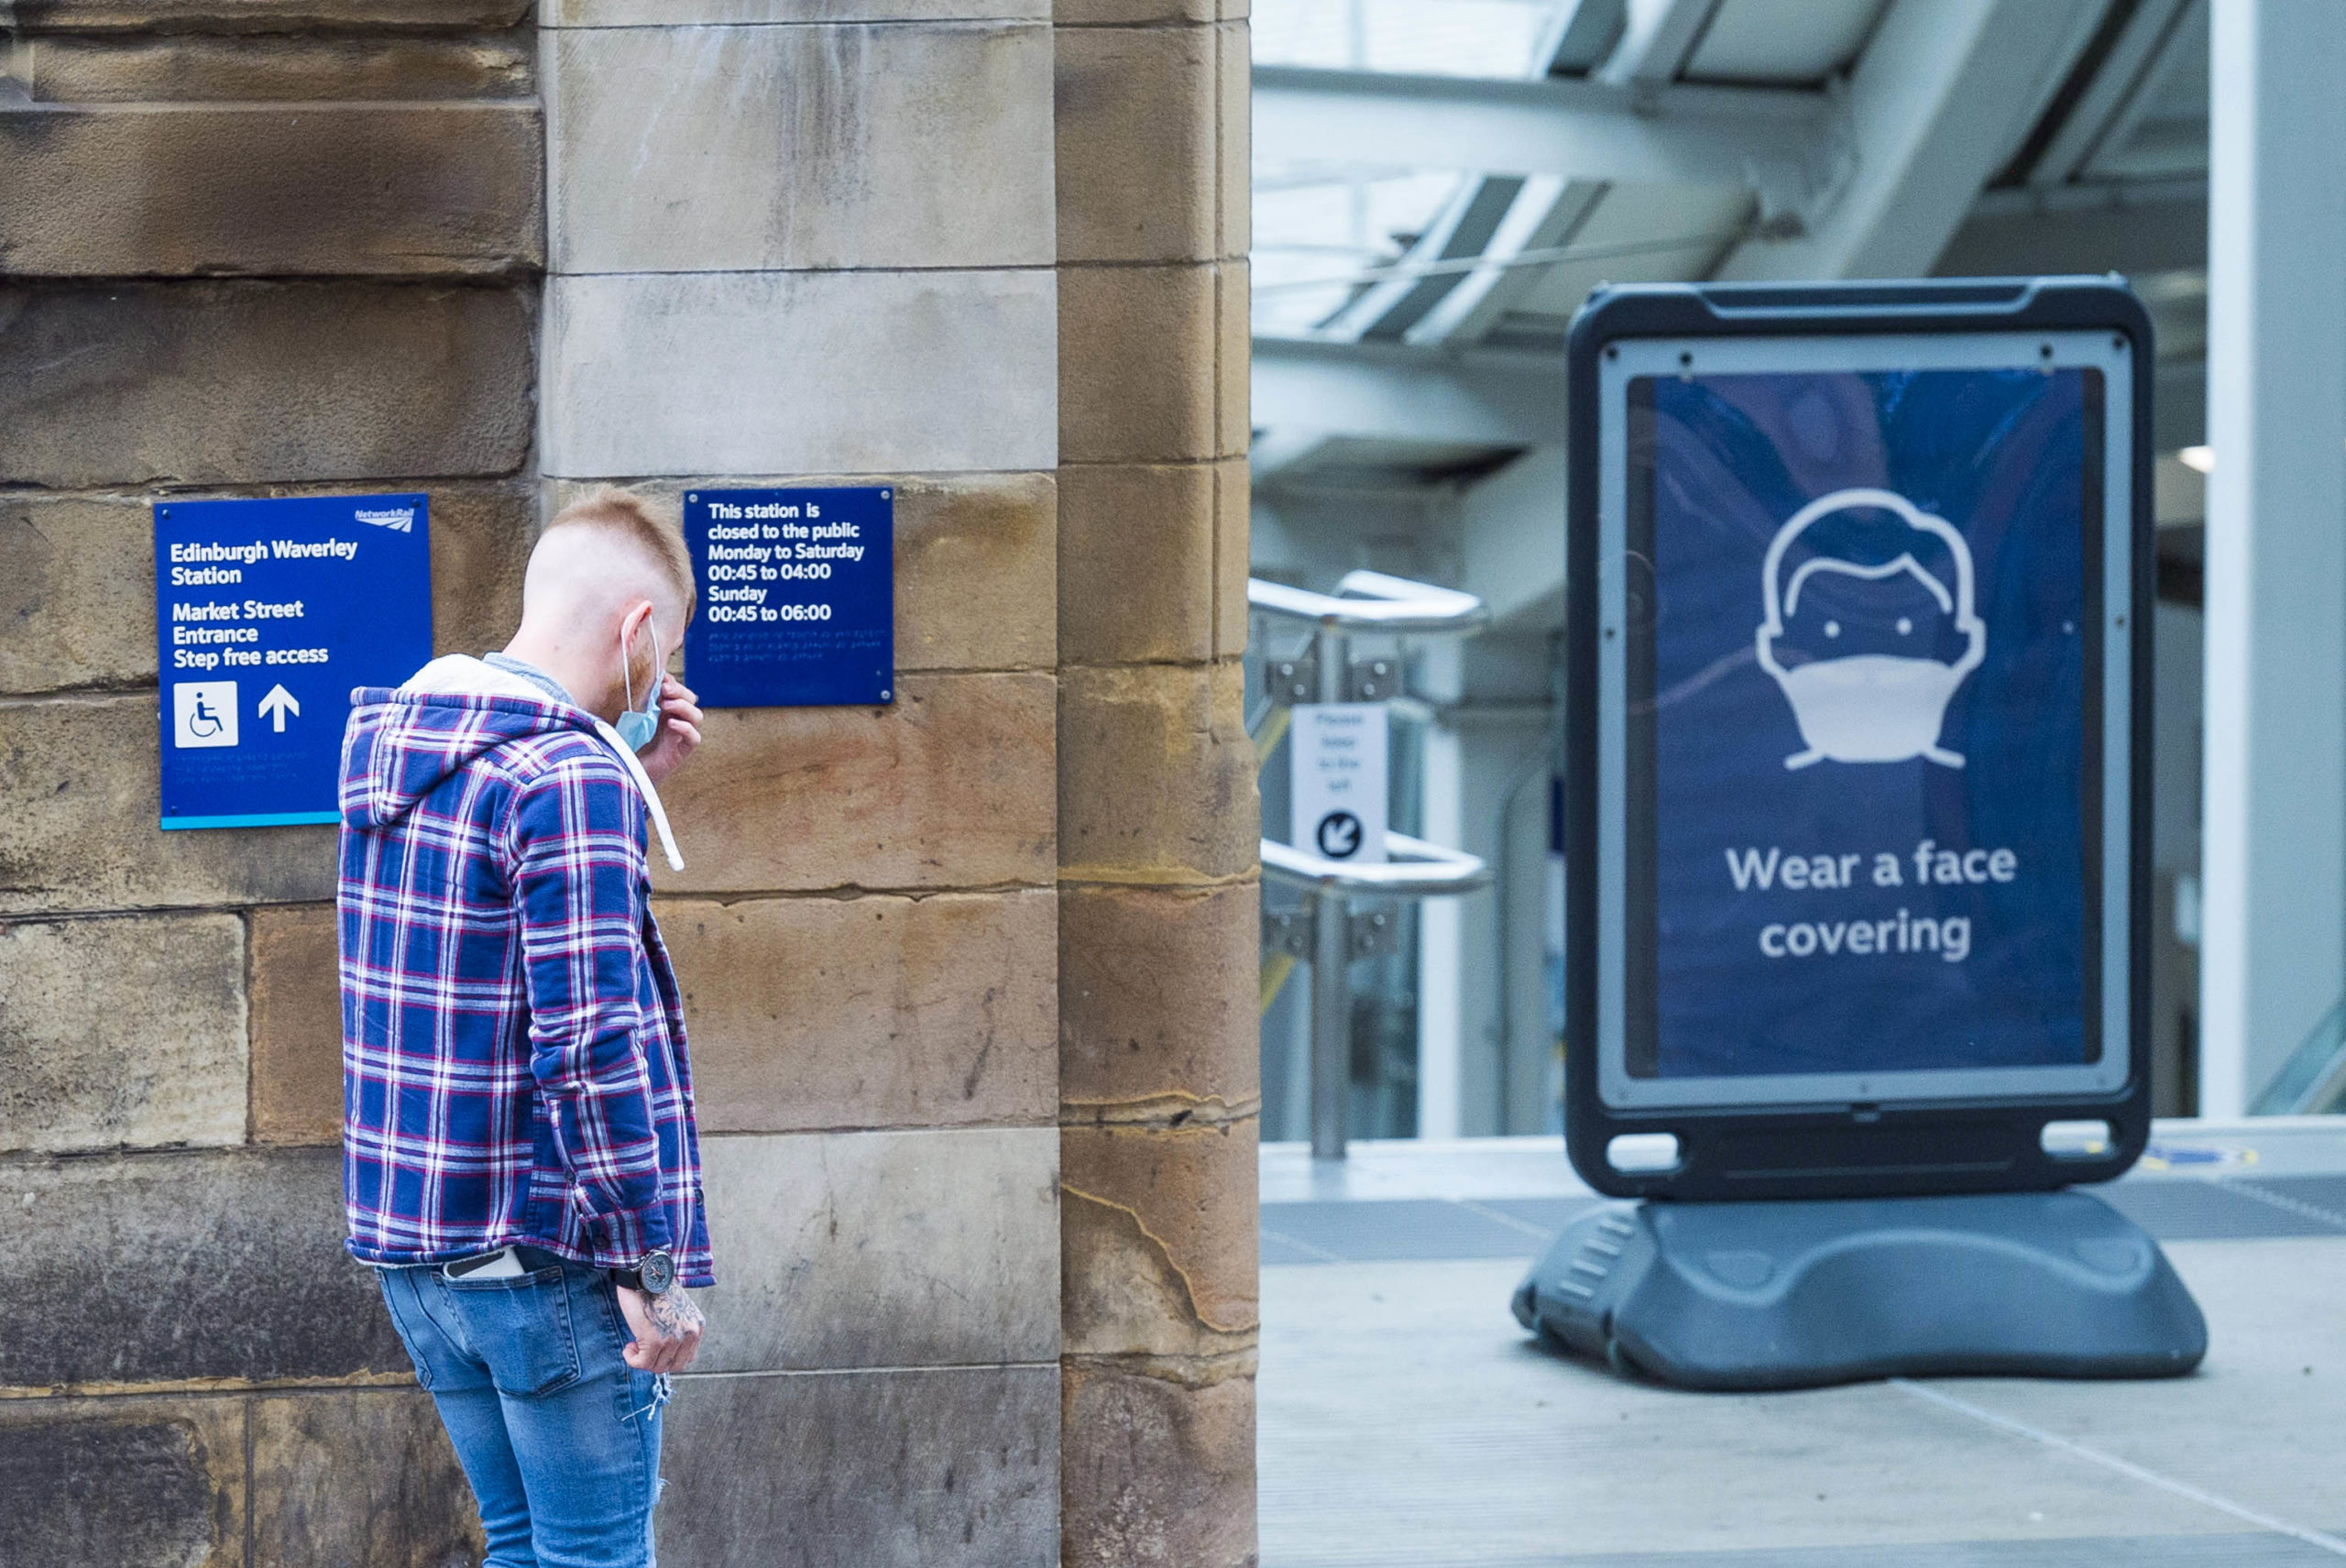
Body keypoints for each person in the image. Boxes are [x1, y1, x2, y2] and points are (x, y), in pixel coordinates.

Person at [336, 489, 715, 1567]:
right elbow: (591, 1042)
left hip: (420, 1258)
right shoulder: (570, 773)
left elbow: (488, 964)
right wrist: (653, 1265)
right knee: (594, 1556)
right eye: (667, 649)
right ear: (637, 629)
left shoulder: (400, 741)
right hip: (547, 1260)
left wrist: (631, 791)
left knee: (521, 1548)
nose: (663, 681)